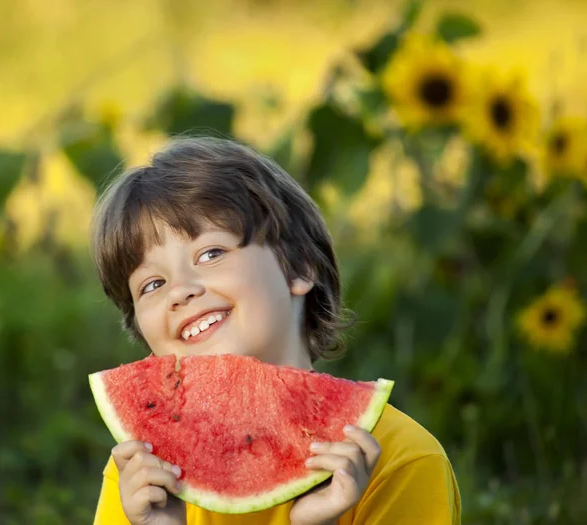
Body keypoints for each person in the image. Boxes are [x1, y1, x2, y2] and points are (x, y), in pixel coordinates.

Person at [91, 137, 461, 524]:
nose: (180, 290)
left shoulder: (402, 459)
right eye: (151, 285)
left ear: (299, 266)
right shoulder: (146, 471)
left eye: (211, 254)